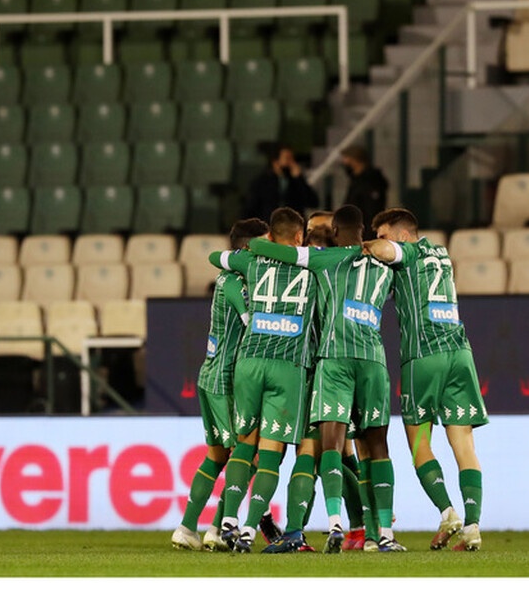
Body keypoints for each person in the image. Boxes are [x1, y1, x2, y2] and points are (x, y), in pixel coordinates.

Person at [248, 204, 405, 553]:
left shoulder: (323, 260)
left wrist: (246, 251)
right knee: (373, 448)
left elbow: (265, 250)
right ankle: (380, 532)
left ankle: (331, 525)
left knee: (328, 448)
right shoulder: (387, 263)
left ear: (333, 231)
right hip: (373, 360)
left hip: (325, 362)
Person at [365, 207, 488, 551]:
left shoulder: (408, 250)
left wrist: (360, 245)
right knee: (463, 444)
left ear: (403, 234)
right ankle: (473, 526)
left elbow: (384, 252)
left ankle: (448, 512)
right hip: (461, 353)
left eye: (384, 233)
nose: (381, 240)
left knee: (419, 445)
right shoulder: (442, 253)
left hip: (423, 357)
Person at [207, 207, 321, 554]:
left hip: (250, 360)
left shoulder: (251, 261)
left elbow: (216, 257)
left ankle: (228, 520)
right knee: (271, 454)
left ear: (270, 235)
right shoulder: (316, 264)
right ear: (299, 238)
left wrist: (257, 248)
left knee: (244, 444)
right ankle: (249, 532)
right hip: (287, 364)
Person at [171, 217, 270, 552]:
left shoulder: (227, 278)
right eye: (265, 243)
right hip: (226, 380)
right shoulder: (238, 284)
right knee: (249, 454)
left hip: (210, 374)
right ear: (248, 247)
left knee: (216, 456)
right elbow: (253, 322)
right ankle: (218, 526)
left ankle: (190, 527)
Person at [242, 142, 319, 222]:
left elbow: (313, 202)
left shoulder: (295, 182)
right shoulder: (262, 182)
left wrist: (299, 179)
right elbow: (250, 208)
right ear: (275, 161)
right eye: (287, 158)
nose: (291, 163)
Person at [340, 145, 388, 239]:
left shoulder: (372, 181)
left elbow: (372, 211)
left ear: (355, 160)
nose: (344, 163)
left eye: (347, 159)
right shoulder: (355, 180)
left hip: (366, 235)